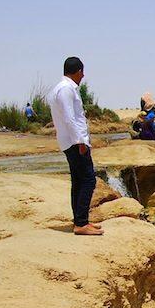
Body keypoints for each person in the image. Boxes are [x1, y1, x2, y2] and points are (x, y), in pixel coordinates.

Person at [48, 56, 102, 236]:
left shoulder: (61, 88)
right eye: (82, 72)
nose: (83, 76)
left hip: (70, 140)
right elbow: (69, 118)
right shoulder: (66, 89)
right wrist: (80, 141)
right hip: (74, 142)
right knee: (88, 180)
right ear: (78, 71)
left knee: (78, 181)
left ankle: (80, 220)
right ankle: (81, 224)